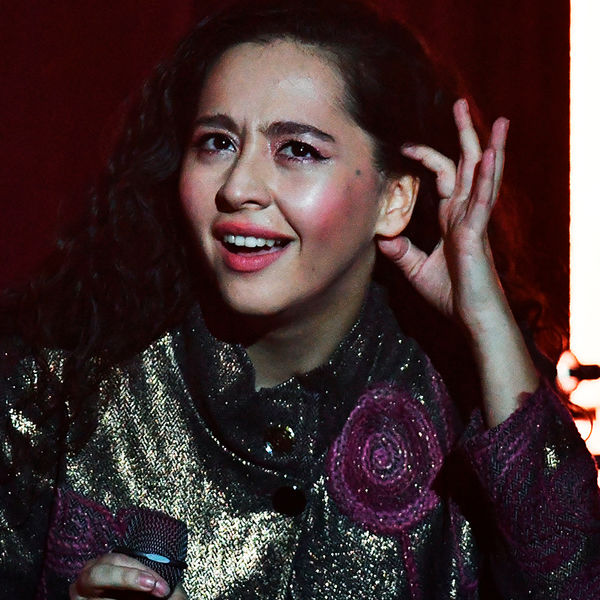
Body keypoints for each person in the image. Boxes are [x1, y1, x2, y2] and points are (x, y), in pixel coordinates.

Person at [1, 0, 598, 598]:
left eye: (298, 150)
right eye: (216, 143)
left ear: (393, 200)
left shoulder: (458, 402)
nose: (238, 188)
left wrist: (488, 321)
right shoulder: (55, 389)